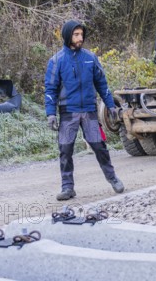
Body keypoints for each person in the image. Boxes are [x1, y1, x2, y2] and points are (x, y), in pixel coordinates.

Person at [45, 20, 125, 201]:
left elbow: (102, 84)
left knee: (99, 147)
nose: (80, 38)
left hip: (89, 111)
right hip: (68, 112)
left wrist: (111, 105)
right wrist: (50, 114)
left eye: (81, 34)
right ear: (67, 36)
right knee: (65, 150)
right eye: (76, 35)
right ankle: (67, 188)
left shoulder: (90, 58)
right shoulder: (56, 61)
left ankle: (113, 179)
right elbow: (50, 89)